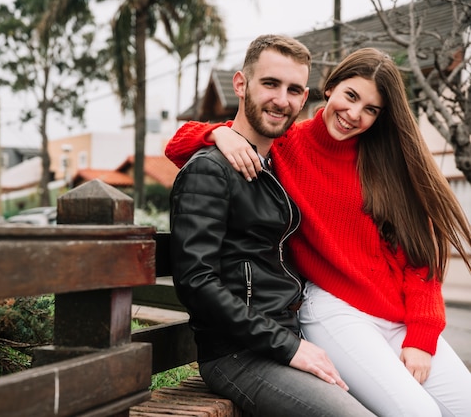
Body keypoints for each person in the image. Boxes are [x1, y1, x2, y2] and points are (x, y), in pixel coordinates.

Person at [166, 47, 471, 417]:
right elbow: (179, 144)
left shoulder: (387, 165)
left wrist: (422, 335)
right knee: (420, 413)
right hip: (335, 311)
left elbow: (421, 257)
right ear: (329, 89)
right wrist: (218, 134)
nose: (354, 114)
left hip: (399, 316)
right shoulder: (285, 144)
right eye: (351, 96)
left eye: (371, 110)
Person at [170, 34, 376, 417]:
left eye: (294, 89)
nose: (282, 100)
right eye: (270, 84)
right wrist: (290, 347)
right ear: (241, 84)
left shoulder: (279, 166)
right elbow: (196, 282)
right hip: (238, 355)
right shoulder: (210, 171)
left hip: (287, 337)